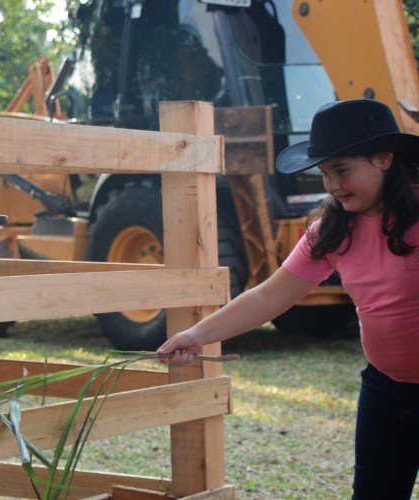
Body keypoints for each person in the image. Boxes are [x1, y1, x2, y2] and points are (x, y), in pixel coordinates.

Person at [157, 99, 419, 499]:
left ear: (384, 158)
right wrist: (198, 333)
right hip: (384, 389)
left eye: (343, 170)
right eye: (325, 173)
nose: (332, 185)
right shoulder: (333, 229)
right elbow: (268, 297)